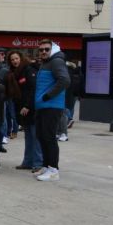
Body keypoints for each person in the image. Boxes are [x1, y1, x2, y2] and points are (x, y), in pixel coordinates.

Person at [34, 40, 70, 182]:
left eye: (46, 49)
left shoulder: (56, 61)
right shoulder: (46, 63)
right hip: (43, 106)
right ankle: (46, 166)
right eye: (41, 49)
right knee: (42, 136)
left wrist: (49, 95)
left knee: (48, 137)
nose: (43, 51)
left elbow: (65, 80)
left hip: (51, 106)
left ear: (52, 49)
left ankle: (53, 169)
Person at [6, 50, 42, 172]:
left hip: (30, 108)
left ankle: (38, 163)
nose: (15, 61)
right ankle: (28, 162)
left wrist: (27, 105)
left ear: (21, 58)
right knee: (28, 137)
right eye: (12, 59)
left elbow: (33, 89)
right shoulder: (14, 73)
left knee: (35, 136)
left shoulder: (28, 69)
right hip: (21, 108)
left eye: (16, 58)